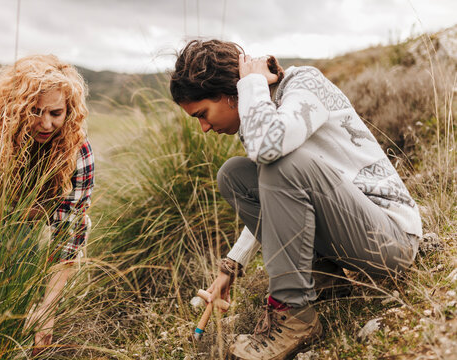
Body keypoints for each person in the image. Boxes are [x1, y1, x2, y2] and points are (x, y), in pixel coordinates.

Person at [170, 40, 421, 359]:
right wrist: (233, 264)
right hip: (351, 236)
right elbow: (281, 197)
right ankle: (324, 279)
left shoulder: (304, 83)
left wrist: (250, 83)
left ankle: (292, 313)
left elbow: (271, 153)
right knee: (234, 174)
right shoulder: (258, 113)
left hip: (390, 243)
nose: (204, 128)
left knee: (278, 162)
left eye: (202, 114)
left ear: (230, 92)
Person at [0, 54, 94, 355]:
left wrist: (47, 310)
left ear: (69, 110)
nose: (46, 123)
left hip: (26, 220)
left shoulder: (77, 152)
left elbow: (69, 235)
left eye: (56, 112)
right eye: (34, 112)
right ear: (14, 108)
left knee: (23, 252)